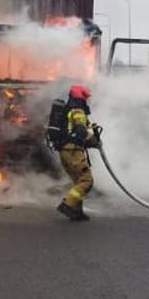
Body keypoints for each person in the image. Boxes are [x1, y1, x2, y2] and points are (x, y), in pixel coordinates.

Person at [47, 83, 102, 221]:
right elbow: (81, 131)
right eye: (85, 98)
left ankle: (76, 211)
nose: (87, 101)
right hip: (73, 151)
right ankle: (68, 204)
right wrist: (94, 141)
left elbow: (74, 133)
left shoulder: (68, 110)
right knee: (86, 181)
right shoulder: (77, 110)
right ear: (81, 97)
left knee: (78, 181)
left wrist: (90, 142)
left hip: (64, 151)